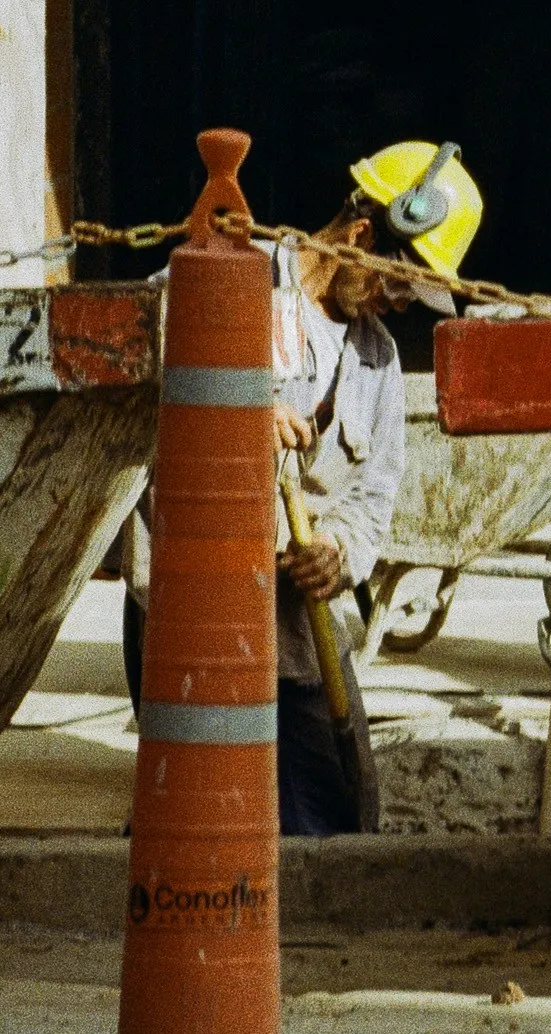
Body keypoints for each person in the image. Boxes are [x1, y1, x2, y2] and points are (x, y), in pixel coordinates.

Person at [127, 139, 485, 836]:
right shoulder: (232, 275)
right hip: (194, 608)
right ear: (362, 235)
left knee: (344, 810)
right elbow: (132, 360)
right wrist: (237, 408)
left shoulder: (377, 361)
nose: (400, 305)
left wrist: (339, 551)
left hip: (296, 624)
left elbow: (374, 495)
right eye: (399, 284)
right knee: (212, 810)